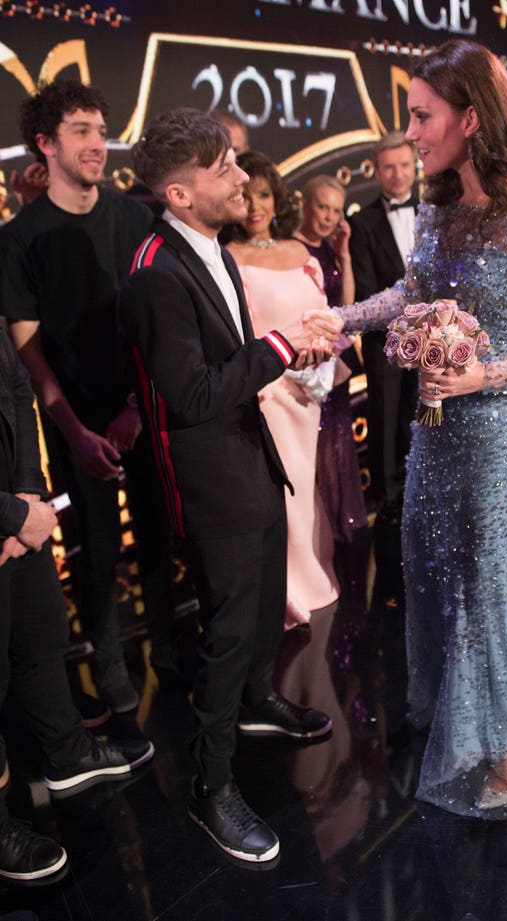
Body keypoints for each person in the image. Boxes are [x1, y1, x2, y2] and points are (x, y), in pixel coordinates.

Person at [336, 39, 507, 817]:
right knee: (432, 572)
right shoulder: (440, 205)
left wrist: (488, 373)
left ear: (470, 117)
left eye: (422, 116)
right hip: (435, 434)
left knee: (495, 589)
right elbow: (409, 290)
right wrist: (339, 320)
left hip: (501, 439)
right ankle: (462, 723)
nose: (411, 132)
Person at [120, 109, 340, 863]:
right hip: (213, 484)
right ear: (180, 195)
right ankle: (211, 787)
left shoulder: (208, 246)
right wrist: (282, 346)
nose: (244, 178)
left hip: (252, 462)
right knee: (226, 632)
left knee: (257, 617)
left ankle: (260, 701)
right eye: (224, 169)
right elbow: (190, 394)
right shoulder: (155, 271)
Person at [0, 79, 178, 712]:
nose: (98, 144)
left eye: (101, 131)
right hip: (75, 423)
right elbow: (28, 351)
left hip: (145, 410)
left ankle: (169, 650)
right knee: (97, 550)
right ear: (45, 144)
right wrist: (72, 428)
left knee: (157, 535)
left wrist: (137, 404)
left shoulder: (136, 217)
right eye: (82, 131)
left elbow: (159, 323)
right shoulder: (21, 239)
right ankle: (108, 664)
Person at [0, 318, 153, 883]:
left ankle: (67, 756)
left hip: (20, 513)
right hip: (11, 519)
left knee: (42, 637)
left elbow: (16, 386)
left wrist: (27, 497)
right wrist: (14, 517)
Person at [224, 152, 341, 627]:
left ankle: (309, 576)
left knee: (306, 491)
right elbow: (240, 336)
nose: (254, 205)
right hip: (267, 396)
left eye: (264, 194)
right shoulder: (228, 258)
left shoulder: (301, 254)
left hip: (309, 395)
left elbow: (327, 318)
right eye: (244, 195)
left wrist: (321, 359)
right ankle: (285, 589)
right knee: (282, 496)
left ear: (277, 198)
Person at [348, 131, 419, 526]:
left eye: (404, 165)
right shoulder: (362, 222)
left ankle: (419, 486)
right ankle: (388, 499)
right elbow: (365, 288)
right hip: (386, 340)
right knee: (386, 419)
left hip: (432, 339)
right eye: (389, 167)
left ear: (415, 166)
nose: (397, 175)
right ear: (377, 170)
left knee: (422, 415)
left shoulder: (434, 212)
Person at [295, 175, 367, 544]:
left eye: (335, 210)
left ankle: (335, 534)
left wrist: (344, 256)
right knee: (312, 452)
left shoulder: (330, 250)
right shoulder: (290, 250)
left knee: (337, 449)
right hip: (305, 368)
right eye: (322, 206)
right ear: (306, 204)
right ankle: (313, 537)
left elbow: (346, 308)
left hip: (332, 368)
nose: (327, 216)